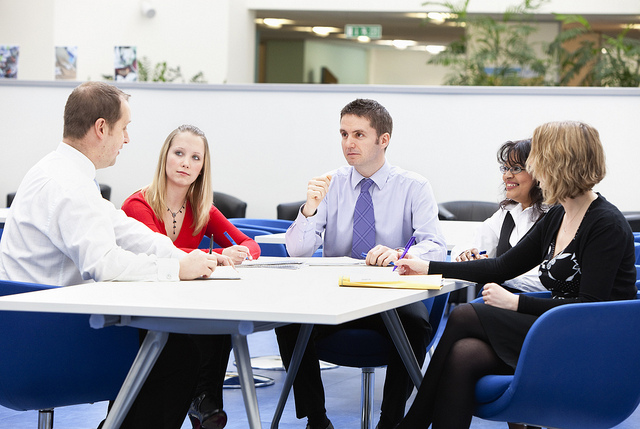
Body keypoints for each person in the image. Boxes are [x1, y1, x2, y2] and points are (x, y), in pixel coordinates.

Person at [0, 82, 231, 429]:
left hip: (26, 333)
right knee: (177, 355)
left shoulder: (58, 171)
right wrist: (176, 268)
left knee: (169, 350)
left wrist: (182, 258)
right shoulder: (70, 186)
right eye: (124, 129)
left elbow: (124, 229)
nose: (126, 140)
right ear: (101, 128)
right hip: (46, 342)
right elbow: (104, 264)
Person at [394, 120, 637, 429]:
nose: (532, 168)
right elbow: (500, 267)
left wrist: (516, 304)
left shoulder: (606, 224)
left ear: (559, 163)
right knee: (464, 354)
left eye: (537, 160)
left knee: (465, 315)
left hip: (588, 341)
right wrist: (428, 267)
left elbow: (590, 305)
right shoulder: (560, 214)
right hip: (555, 329)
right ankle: (414, 423)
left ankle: (413, 423)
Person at [277, 98, 447, 429]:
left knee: (415, 326)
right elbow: (296, 251)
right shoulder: (331, 183)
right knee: (287, 321)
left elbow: (437, 247)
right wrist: (310, 208)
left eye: (358, 134)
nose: (348, 143)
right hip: (335, 296)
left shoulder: (413, 186)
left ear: (383, 139)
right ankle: (317, 419)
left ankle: (391, 421)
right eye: (343, 134)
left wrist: (402, 255)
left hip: (392, 297)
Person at [121, 124, 261, 429]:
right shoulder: (137, 205)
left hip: (181, 300)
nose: (186, 163)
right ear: (165, 158)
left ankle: (205, 399)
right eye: (179, 153)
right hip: (145, 305)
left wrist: (238, 252)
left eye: (195, 157)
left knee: (222, 312)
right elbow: (160, 250)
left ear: (202, 168)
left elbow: (251, 245)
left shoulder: (201, 209)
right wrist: (215, 257)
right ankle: (201, 399)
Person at [452, 138, 547, 294]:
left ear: (540, 173)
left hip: (538, 303)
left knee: (465, 314)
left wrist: (495, 271)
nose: (506, 176)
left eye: (516, 168)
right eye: (505, 168)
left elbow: (546, 279)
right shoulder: (508, 212)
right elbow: (467, 245)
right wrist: (467, 255)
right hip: (499, 297)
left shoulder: (556, 215)